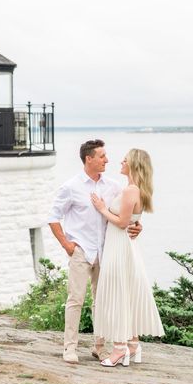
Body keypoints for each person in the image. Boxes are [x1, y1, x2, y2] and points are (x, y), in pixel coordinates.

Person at [48, 139, 142, 364]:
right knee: (75, 300)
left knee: (103, 301)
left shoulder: (113, 186)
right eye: (102, 156)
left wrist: (137, 225)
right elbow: (53, 217)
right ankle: (69, 347)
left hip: (107, 251)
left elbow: (125, 213)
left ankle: (100, 347)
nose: (107, 160)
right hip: (81, 250)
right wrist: (67, 245)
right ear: (89, 158)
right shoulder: (71, 186)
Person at [91, 148, 164, 367]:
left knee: (118, 295)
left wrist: (102, 208)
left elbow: (122, 223)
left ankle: (120, 349)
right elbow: (130, 220)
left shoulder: (132, 190)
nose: (121, 161)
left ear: (133, 165)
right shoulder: (132, 189)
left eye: (126, 159)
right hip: (123, 245)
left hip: (120, 247)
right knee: (125, 294)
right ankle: (133, 346)